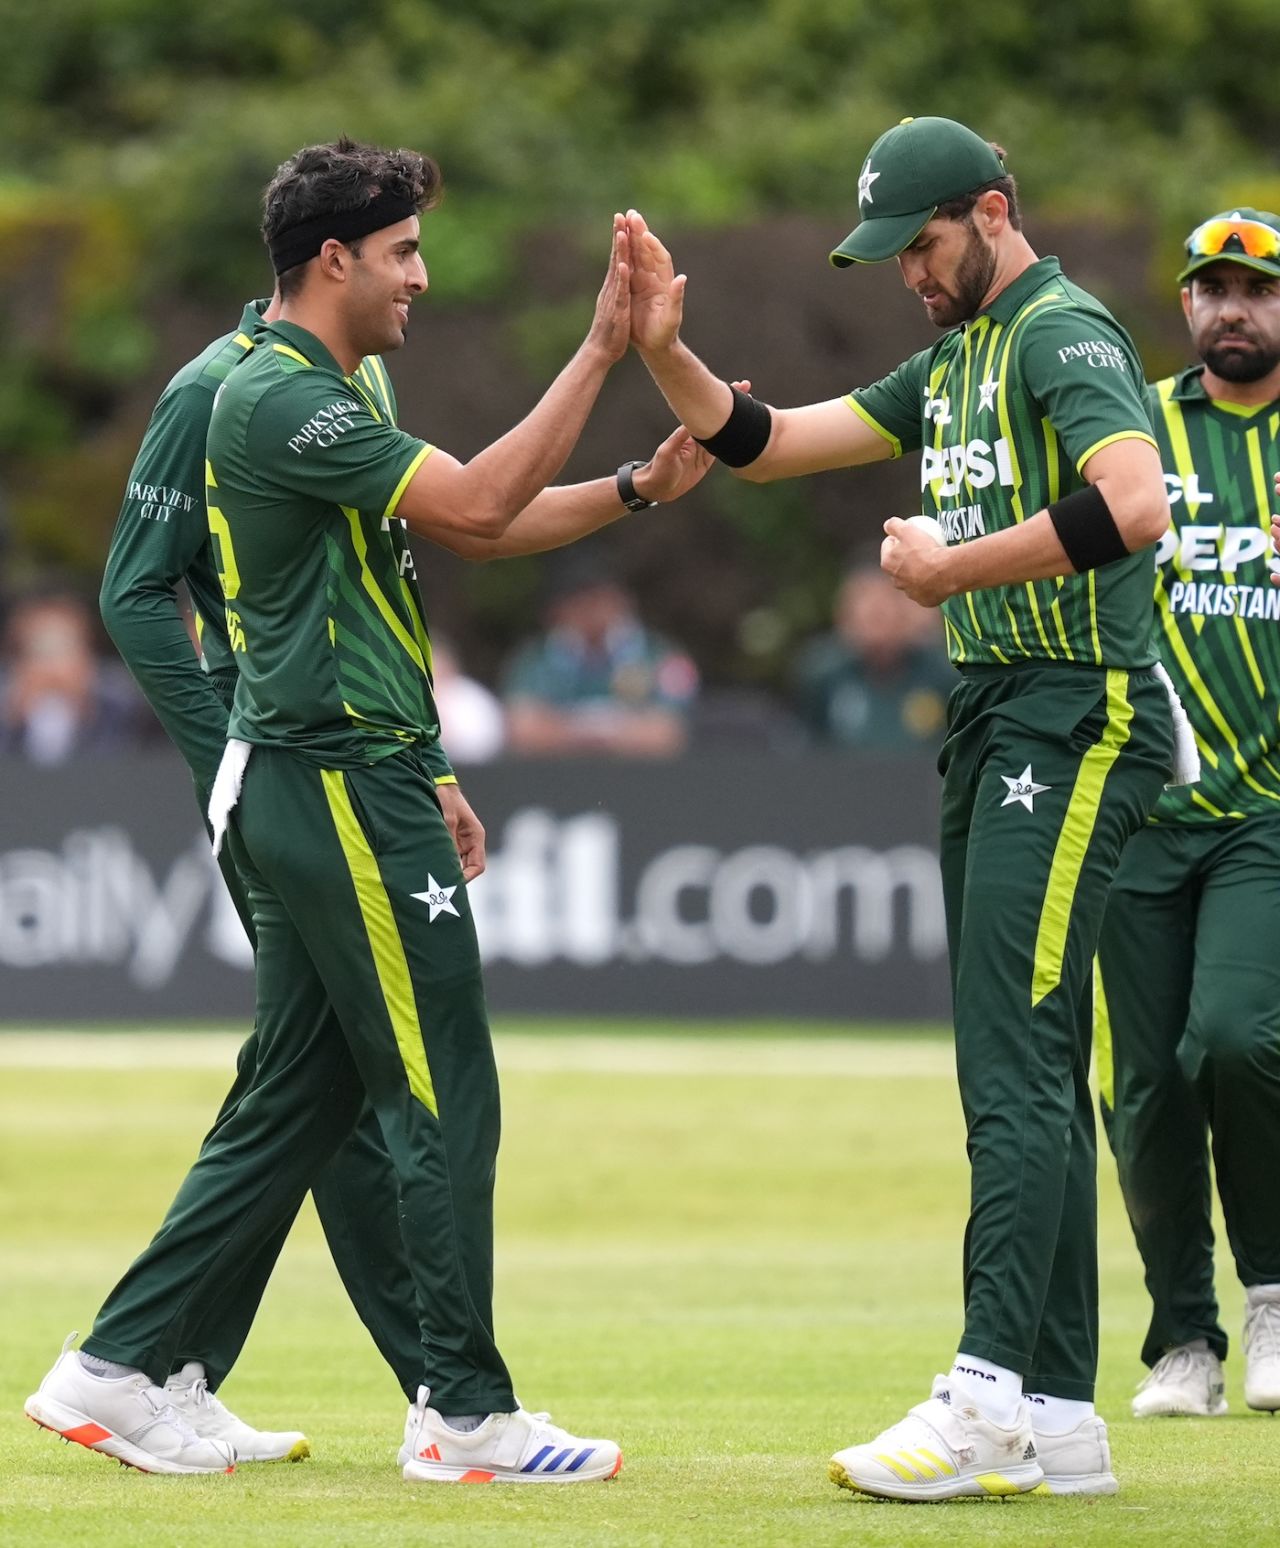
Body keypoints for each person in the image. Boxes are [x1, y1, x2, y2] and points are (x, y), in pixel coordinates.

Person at [26, 137, 710, 1481]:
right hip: (328, 778)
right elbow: (471, 501)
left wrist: (633, 486)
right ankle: (465, 1413)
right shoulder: (264, 396)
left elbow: (442, 544)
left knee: (303, 1091)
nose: (424, 276)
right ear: (332, 257)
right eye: (402, 252)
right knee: (443, 1089)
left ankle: (116, 1366)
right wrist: (601, 352)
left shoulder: (341, 381)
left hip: (362, 766)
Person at [626, 115, 1175, 1500]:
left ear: (992, 209)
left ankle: (987, 1395)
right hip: (1001, 712)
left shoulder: (1062, 334)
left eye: (924, 245)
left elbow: (1137, 500)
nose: (910, 275)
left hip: (1072, 704)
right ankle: (1055, 1411)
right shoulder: (959, 353)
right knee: (1027, 1058)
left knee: (1014, 1055)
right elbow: (767, 441)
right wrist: (662, 354)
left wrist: (955, 573)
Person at [1095, 209, 1280, 1420]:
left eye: (1256, 291)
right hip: (1139, 804)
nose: (1232, 311)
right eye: (1211, 291)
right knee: (1147, 1082)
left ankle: (1269, 1297)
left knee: (1233, 1039)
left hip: (1263, 805)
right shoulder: (1137, 431)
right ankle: (1183, 1344)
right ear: (1184, 309)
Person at [503, 560, 698, 756]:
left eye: (600, 598)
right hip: (557, 778)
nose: (592, 610)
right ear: (557, 609)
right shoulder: (534, 658)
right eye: (580, 600)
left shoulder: (660, 654)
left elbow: (666, 733)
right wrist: (593, 734)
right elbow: (522, 730)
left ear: (623, 600)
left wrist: (582, 731)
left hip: (641, 779)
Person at [793, 558, 953, 749]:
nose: (878, 609)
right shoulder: (823, 675)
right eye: (865, 601)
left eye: (888, 599)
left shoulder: (944, 675)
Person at [0, 587, 150, 763]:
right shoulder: (7, 711)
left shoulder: (123, 709)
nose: (51, 669)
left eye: (65, 648)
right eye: (39, 651)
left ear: (88, 656)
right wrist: (13, 722)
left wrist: (86, 714)